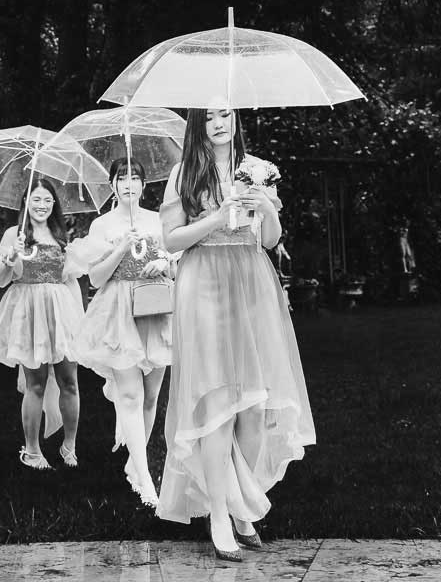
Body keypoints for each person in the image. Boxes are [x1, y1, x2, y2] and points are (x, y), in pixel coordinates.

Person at [157, 104, 315, 561]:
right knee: (219, 404)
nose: (219, 124)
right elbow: (171, 240)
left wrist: (265, 207)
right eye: (209, 117)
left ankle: (243, 506)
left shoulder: (257, 170)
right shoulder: (185, 173)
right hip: (204, 282)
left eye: (225, 115)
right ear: (198, 124)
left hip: (251, 280)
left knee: (254, 406)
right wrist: (217, 216)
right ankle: (220, 516)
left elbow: (269, 239)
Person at [70, 158, 174, 507]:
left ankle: (134, 462)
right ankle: (145, 480)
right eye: (122, 178)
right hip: (117, 312)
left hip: (155, 306)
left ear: (144, 184)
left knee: (150, 396)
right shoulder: (102, 225)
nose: (129, 184)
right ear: (113, 185)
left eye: (135, 177)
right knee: (130, 396)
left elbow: (177, 262)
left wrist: (165, 262)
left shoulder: (158, 220)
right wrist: (120, 247)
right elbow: (96, 278)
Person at [0, 179, 83, 470]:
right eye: (36, 199)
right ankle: (32, 450)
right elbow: (2, 280)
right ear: (26, 202)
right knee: (35, 383)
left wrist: (78, 320)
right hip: (29, 311)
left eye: (48, 200)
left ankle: (70, 445)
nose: (42, 205)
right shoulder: (14, 234)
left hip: (60, 311)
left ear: (54, 205)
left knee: (69, 381)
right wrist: (11, 255)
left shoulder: (60, 234)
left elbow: (69, 278)